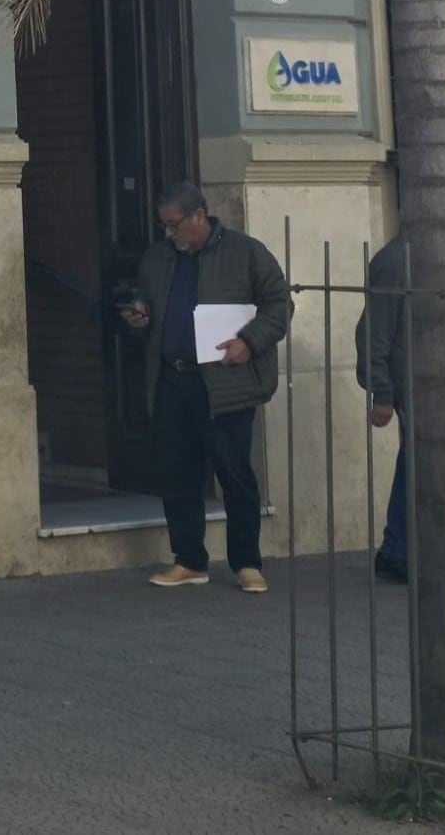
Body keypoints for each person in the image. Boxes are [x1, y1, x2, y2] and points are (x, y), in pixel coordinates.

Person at [119, 180, 291, 592]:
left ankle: (247, 562)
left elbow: (279, 304)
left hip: (224, 383)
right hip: (172, 380)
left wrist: (249, 343)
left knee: (234, 472)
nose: (169, 234)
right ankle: (189, 560)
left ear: (199, 216)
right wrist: (139, 313)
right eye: (164, 226)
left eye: (174, 225)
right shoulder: (158, 258)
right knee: (177, 473)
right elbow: (144, 297)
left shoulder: (245, 252)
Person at [358, 230, 409, 582]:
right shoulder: (395, 260)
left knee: (417, 468)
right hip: (411, 384)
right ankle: (397, 550)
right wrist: (382, 393)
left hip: (441, 381)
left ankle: (399, 549)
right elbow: (373, 331)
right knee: (416, 468)